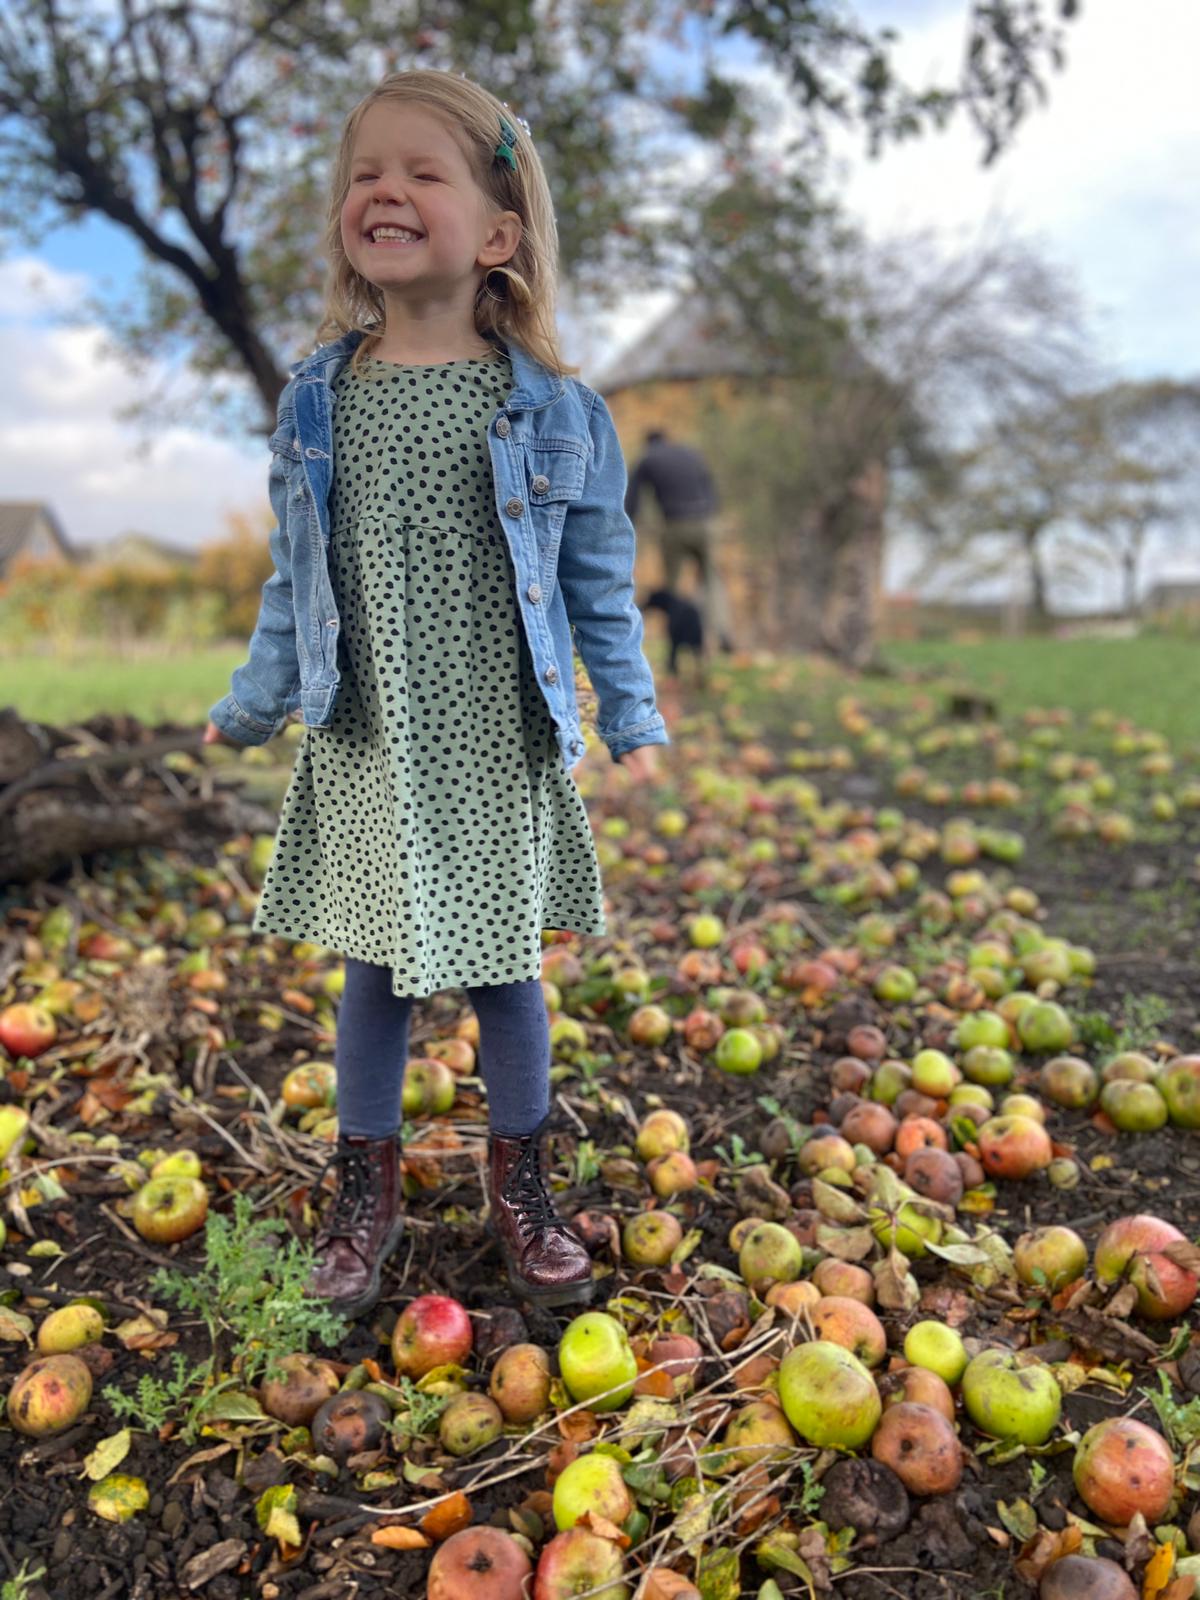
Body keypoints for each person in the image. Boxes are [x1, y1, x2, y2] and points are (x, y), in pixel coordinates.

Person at [203, 70, 668, 1318]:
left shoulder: (556, 410)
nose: (385, 193)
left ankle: (522, 1186)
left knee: (506, 968)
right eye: (364, 174)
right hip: (370, 734)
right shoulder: (317, 399)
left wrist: (630, 713)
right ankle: (369, 1190)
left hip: (495, 738)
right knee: (376, 971)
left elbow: (598, 582)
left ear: (499, 233)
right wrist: (254, 701)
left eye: (422, 172)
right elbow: (291, 581)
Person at [624, 427, 735, 652]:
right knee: (711, 579)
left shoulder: (648, 458)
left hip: (674, 524)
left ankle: (673, 640)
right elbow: (710, 486)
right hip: (706, 522)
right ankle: (721, 631)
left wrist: (626, 529)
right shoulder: (690, 453)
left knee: (672, 589)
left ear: (648, 442)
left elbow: (632, 500)